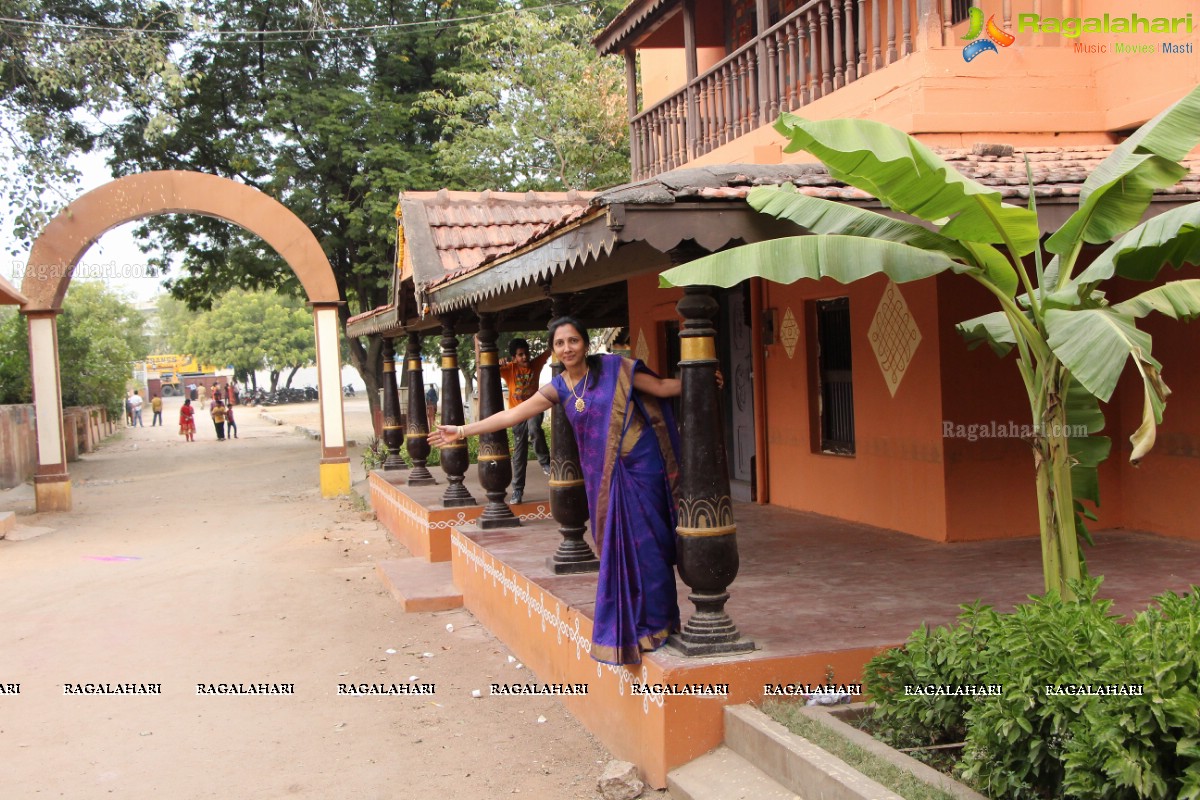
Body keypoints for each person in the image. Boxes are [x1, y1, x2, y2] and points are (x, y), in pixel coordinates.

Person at [430, 317, 721, 667]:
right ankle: (635, 627)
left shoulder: (616, 369)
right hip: (606, 479)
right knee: (619, 549)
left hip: (642, 466)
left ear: (585, 343)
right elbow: (513, 416)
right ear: (553, 350)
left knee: (651, 548)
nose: (567, 348)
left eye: (573, 341)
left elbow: (660, 389)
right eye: (559, 343)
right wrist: (461, 430)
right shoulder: (559, 388)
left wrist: (700, 379)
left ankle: (658, 624)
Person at [498, 338, 552, 504]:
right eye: (520, 355)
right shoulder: (509, 369)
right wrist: (498, 362)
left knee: (534, 428)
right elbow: (487, 368)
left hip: (534, 408)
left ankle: (545, 463)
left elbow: (550, 350)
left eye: (526, 353)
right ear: (514, 358)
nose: (525, 357)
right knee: (519, 454)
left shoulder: (536, 364)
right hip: (517, 414)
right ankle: (517, 491)